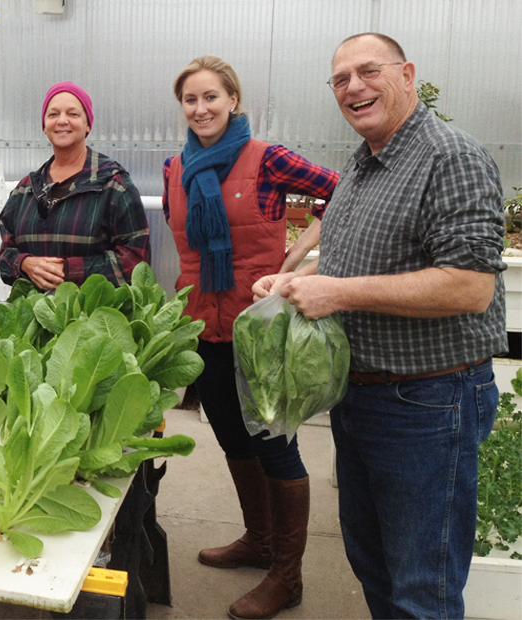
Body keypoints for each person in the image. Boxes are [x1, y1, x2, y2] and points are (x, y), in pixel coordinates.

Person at [254, 33, 506, 619]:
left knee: (423, 587)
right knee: (375, 567)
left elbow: (470, 285)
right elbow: (346, 257)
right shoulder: (366, 162)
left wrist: (334, 293)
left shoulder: (452, 158)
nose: (353, 87)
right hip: (364, 399)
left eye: (368, 71)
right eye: (340, 79)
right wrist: (294, 282)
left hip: (427, 402)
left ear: (407, 74)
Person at [164, 56, 339, 620]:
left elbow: (344, 195)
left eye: (211, 97)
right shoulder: (176, 168)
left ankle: (287, 576)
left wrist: (297, 261)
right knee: (234, 440)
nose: (201, 108)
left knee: (275, 445)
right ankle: (258, 541)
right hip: (204, 330)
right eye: (191, 100)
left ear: (232, 99)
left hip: (260, 330)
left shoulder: (268, 159)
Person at [0, 81, 150, 289]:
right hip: (33, 317)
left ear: (87, 125)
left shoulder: (114, 185)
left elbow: (136, 260)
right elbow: (5, 254)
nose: (62, 121)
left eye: (73, 114)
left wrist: (70, 271)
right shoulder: (25, 190)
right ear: (44, 126)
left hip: (95, 317)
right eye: (53, 114)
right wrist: (25, 264)